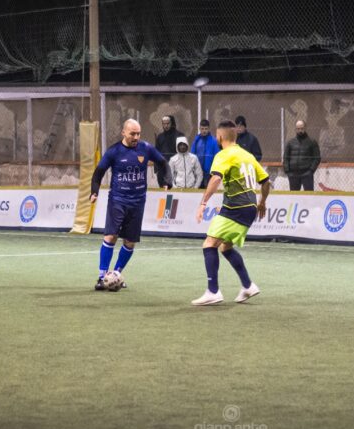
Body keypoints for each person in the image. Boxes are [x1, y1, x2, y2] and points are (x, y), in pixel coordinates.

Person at [192, 119, 270, 306]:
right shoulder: (248, 155)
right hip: (250, 208)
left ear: (219, 137)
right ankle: (248, 285)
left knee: (209, 244)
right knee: (225, 247)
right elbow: (266, 181)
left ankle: (213, 291)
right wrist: (262, 202)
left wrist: (203, 202)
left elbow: (215, 179)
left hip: (236, 207)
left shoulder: (223, 155)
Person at [90, 119, 173, 291]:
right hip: (118, 200)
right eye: (132, 134)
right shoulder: (114, 151)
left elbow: (163, 163)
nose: (136, 137)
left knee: (130, 242)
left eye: (138, 134)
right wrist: (94, 191)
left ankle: (115, 275)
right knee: (111, 236)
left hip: (138, 202)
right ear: (123, 133)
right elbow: (98, 172)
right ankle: (102, 277)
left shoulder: (146, 148)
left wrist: (166, 180)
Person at [283, 120, 321, 191]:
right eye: (298, 128)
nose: (300, 130)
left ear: (305, 128)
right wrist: (288, 171)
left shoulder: (312, 142)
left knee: (309, 195)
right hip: (293, 174)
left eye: (302, 128)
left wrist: (311, 171)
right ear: (295, 129)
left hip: (307, 173)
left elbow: (317, 158)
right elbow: (286, 158)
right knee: (294, 196)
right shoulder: (290, 142)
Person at [190, 119, 220, 188]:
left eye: (206, 129)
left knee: (208, 190)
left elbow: (217, 156)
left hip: (209, 173)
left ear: (209, 129)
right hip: (198, 172)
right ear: (199, 128)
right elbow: (192, 156)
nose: (204, 131)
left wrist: (215, 171)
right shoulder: (196, 140)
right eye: (202, 129)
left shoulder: (213, 141)